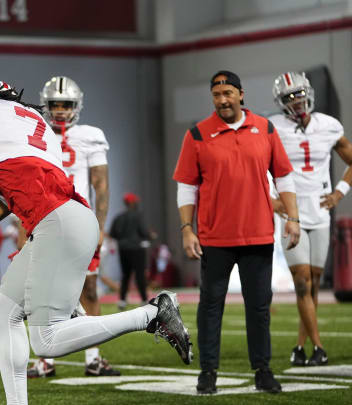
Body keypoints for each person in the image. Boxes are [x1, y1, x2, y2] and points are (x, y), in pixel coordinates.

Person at [0, 80, 191, 405]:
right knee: (3, 313)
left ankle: (151, 315)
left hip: (57, 223)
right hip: (66, 220)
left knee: (47, 341)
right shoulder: (33, 127)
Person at [173, 70, 301, 394]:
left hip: (258, 235)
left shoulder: (266, 128)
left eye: (228, 93)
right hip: (215, 238)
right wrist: (187, 230)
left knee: (259, 308)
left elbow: (284, 177)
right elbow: (186, 187)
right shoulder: (198, 134)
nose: (222, 100)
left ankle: (263, 371)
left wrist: (293, 217)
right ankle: (208, 373)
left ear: (240, 94)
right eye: (217, 95)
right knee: (210, 307)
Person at [28, 75, 118, 379]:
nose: (61, 110)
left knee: (88, 289)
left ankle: (93, 358)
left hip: (81, 222)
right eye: (55, 104)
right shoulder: (35, 132)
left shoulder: (90, 135)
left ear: (76, 105)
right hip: (45, 220)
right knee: (44, 291)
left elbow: (101, 185)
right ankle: (45, 358)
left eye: (66, 104)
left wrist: (101, 225)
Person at [269, 71, 352, 366]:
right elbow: (258, 167)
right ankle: (319, 347)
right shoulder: (273, 128)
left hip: (320, 212)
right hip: (291, 214)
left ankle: (300, 347)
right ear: (281, 101)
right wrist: (270, 197)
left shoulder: (328, 126)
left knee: (314, 283)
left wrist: (339, 193)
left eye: (300, 93)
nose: (297, 100)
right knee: (302, 281)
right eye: (290, 96)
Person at [111, 192, 155, 310]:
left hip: (123, 249)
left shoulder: (118, 217)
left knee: (125, 275)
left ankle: (122, 301)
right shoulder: (138, 216)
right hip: (137, 248)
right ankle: (144, 299)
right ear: (132, 202)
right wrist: (151, 235)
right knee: (140, 274)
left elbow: (113, 234)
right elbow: (144, 232)